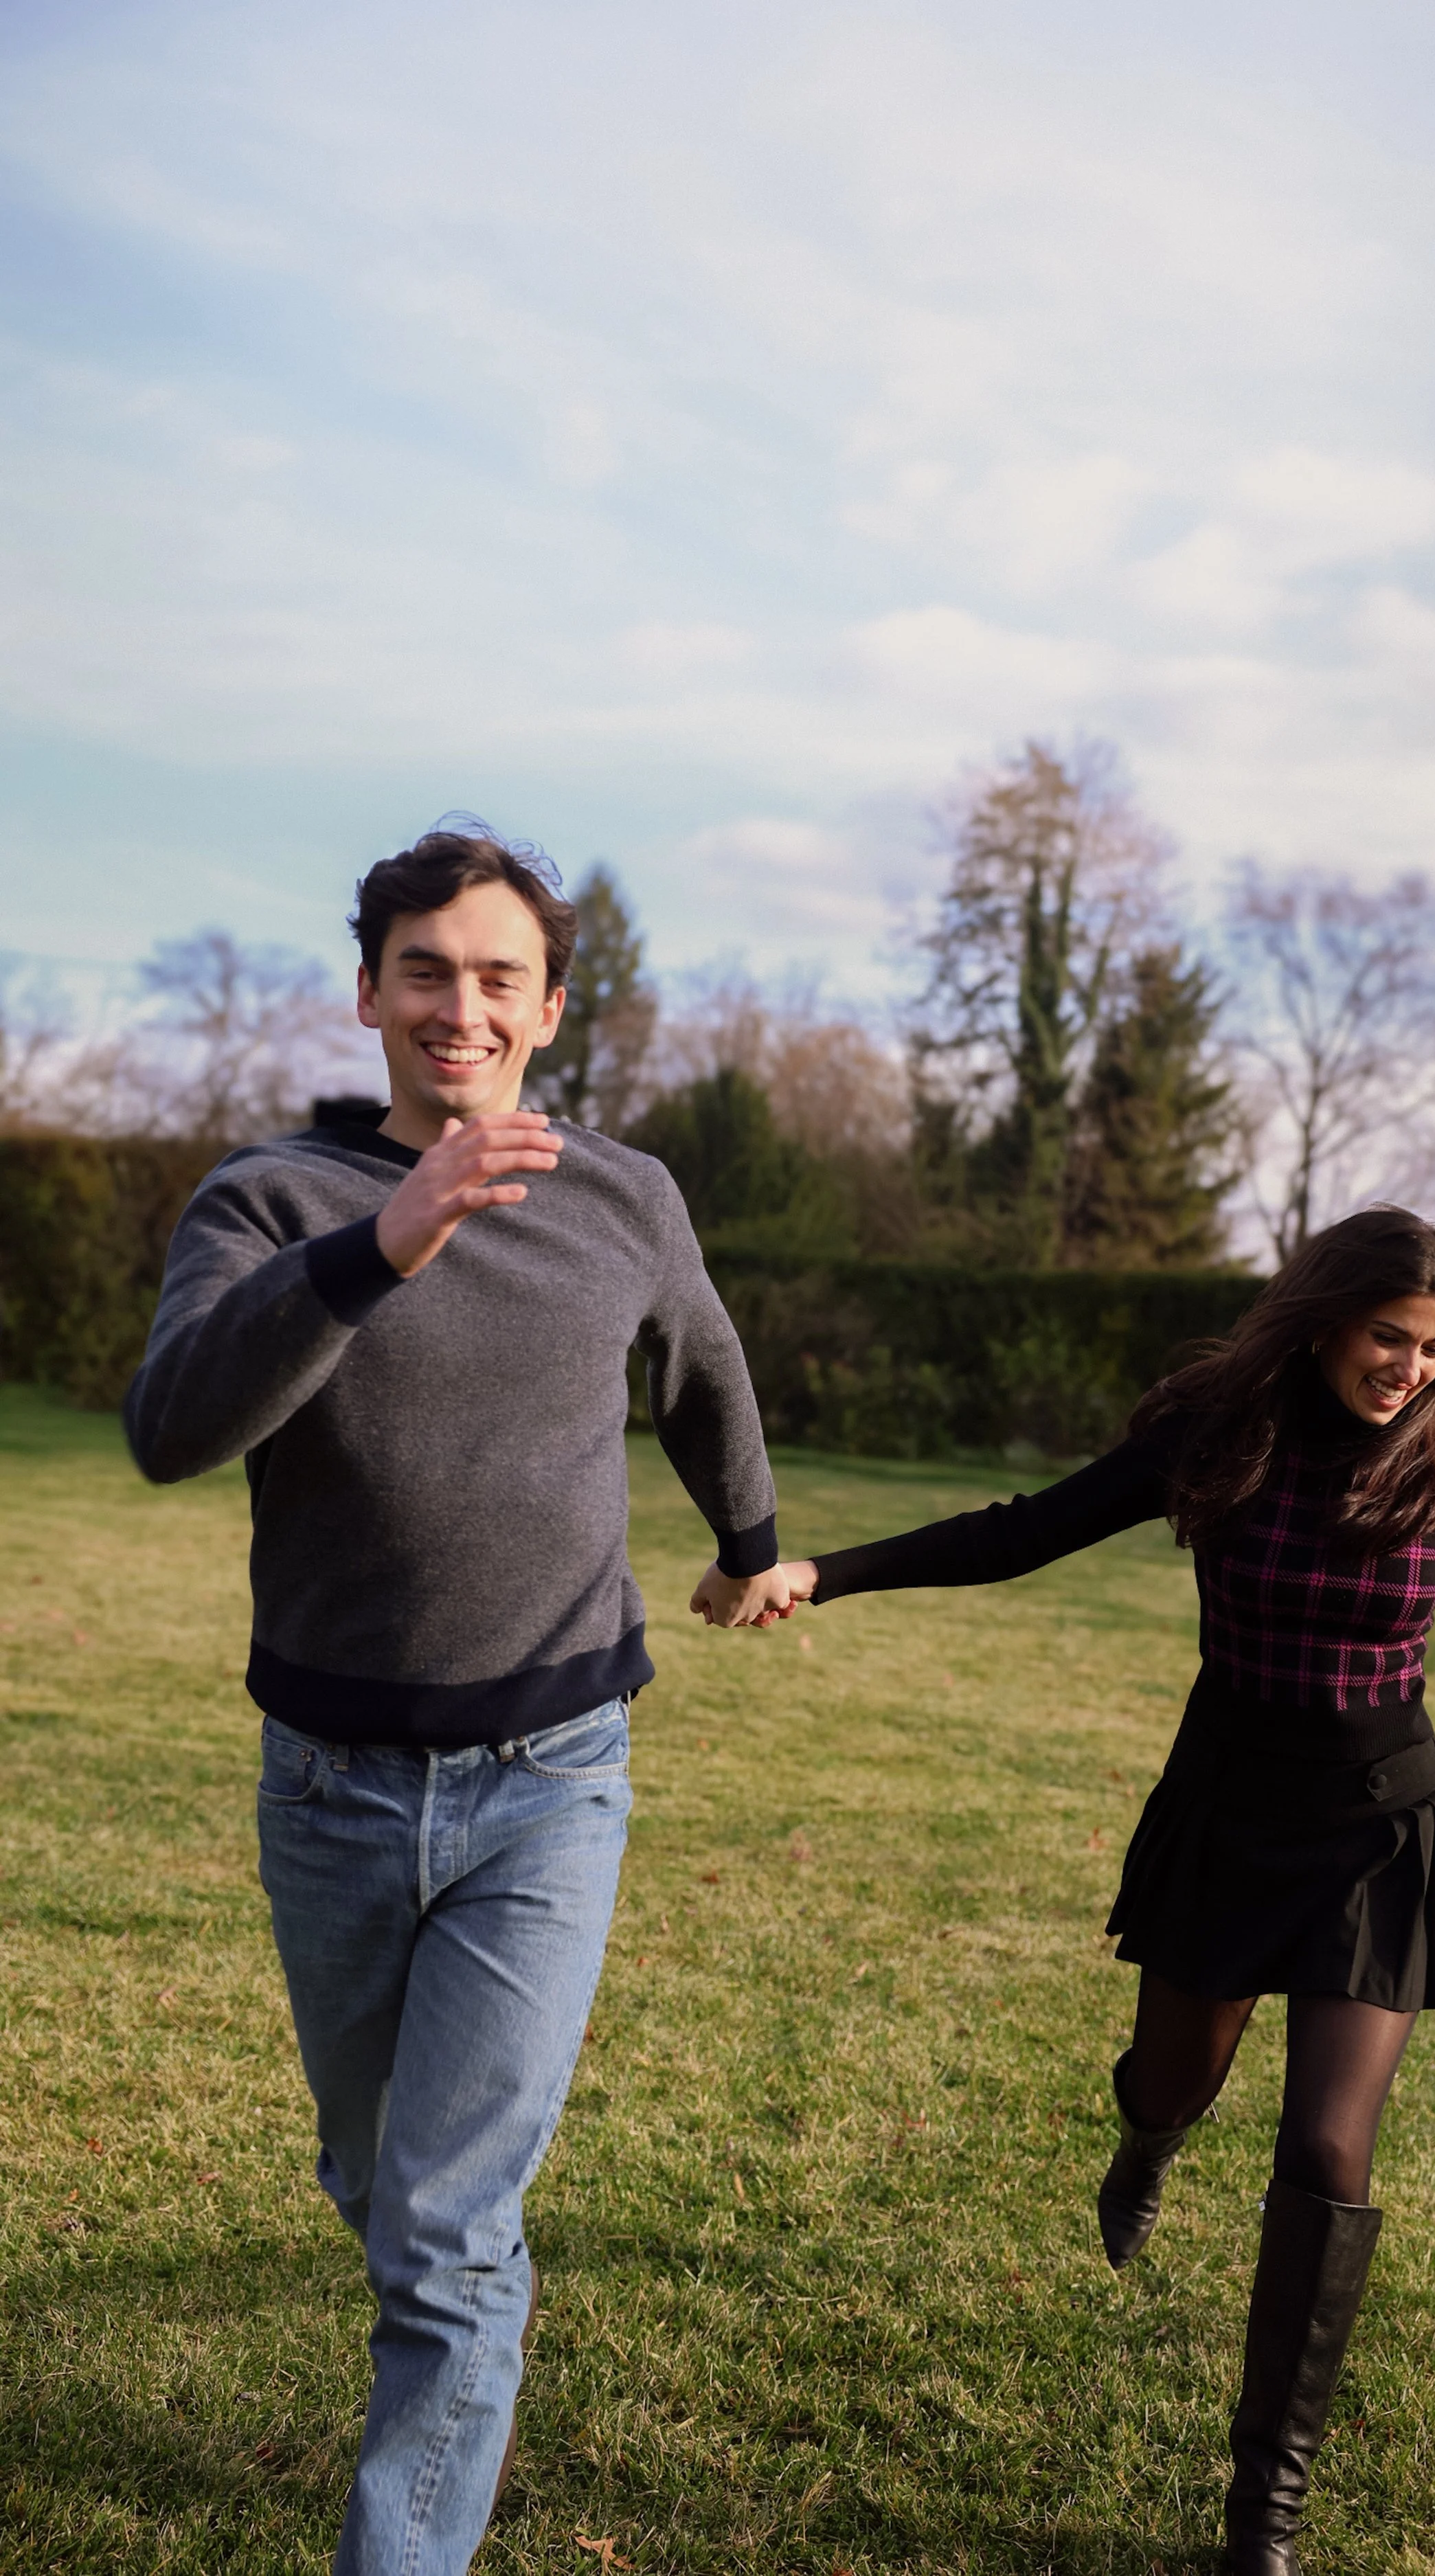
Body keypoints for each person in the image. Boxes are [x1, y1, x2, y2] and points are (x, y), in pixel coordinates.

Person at [723, 1209, 1435, 2576]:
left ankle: (1262, 2516)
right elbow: (1026, 1530)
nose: (1405, 1368)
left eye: (1429, 1349)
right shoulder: (1218, 1436)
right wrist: (826, 1574)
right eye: (1383, 1337)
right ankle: (1148, 2140)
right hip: (1230, 1814)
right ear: (1323, 1321)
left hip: (1378, 1833)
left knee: (1325, 2154)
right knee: (1171, 2079)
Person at [125, 824, 791, 2576]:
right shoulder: (269, 1201)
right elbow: (171, 1430)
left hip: (549, 1775)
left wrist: (750, 1539)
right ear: (367, 992)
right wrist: (383, 1244)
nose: (459, 1004)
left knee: (439, 2225)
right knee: (383, 2189)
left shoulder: (624, 1196)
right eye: (424, 969)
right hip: (331, 1787)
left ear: (549, 1009)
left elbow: (701, 1362)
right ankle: (451, 2308)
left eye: (499, 975)